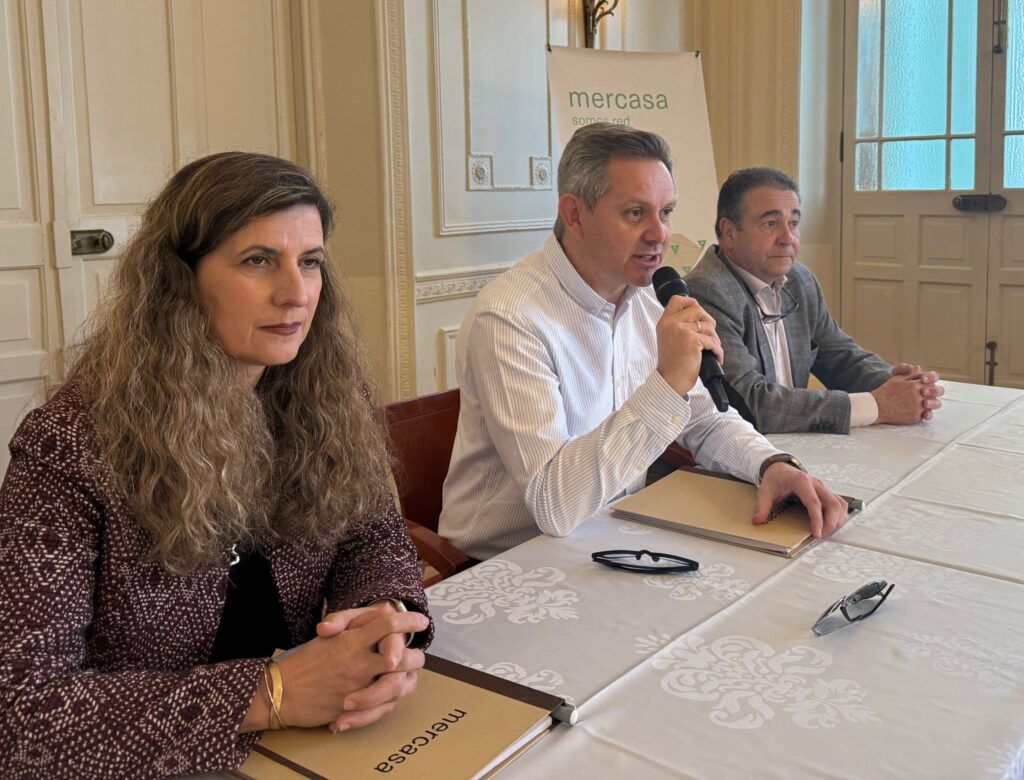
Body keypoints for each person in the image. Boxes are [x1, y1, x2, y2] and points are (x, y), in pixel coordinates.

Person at [0, 152, 432, 779]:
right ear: (180, 280)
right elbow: (21, 716)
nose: (296, 293)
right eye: (258, 260)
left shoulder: (329, 396)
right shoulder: (70, 444)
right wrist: (273, 693)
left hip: (320, 740)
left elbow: (372, 535)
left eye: (310, 262)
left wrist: (380, 619)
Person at [438, 124, 849, 562]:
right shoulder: (510, 317)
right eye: (635, 213)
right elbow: (553, 504)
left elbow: (706, 419)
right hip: (505, 562)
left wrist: (770, 464)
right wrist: (668, 381)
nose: (659, 234)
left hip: (612, 531)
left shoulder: (647, 298)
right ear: (574, 215)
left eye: (666, 212)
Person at [684, 167, 944, 434]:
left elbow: (840, 356)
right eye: (771, 224)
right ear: (729, 233)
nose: (788, 238)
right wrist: (877, 405)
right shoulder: (706, 292)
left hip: (792, 437)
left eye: (793, 223)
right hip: (735, 447)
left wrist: (900, 384)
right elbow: (749, 402)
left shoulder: (799, 280)